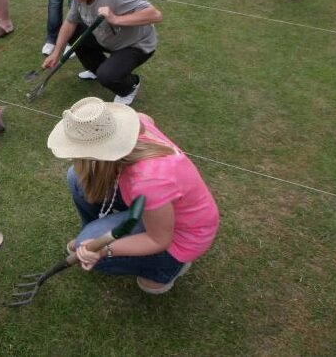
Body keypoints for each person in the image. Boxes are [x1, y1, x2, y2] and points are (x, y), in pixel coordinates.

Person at [47, 97, 219, 294]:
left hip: (181, 233)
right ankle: (90, 236)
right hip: (154, 205)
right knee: (76, 178)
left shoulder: (148, 181)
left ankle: (167, 269)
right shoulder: (137, 122)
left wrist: (104, 250)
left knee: (136, 278)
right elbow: (148, 119)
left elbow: (159, 240)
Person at [42, 0, 160, 105]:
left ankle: (130, 86)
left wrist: (116, 19)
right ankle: (95, 69)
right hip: (106, 36)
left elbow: (155, 15)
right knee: (74, 33)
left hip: (135, 44)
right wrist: (56, 52)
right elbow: (70, 22)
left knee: (107, 76)